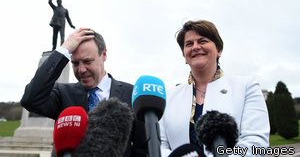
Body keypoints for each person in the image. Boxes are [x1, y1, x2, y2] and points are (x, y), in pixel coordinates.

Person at [20, 28, 147, 157]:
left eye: (87, 61)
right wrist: (63, 50)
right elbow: (30, 100)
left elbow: (142, 149)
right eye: (75, 63)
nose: (81, 70)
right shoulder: (62, 94)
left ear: (104, 55)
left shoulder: (132, 94)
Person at [159, 20, 270, 157]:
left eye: (202, 41)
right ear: (184, 56)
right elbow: (160, 145)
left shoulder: (246, 86)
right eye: (189, 44)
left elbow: (256, 143)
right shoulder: (169, 97)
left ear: (219, 50)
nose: (195, 47)